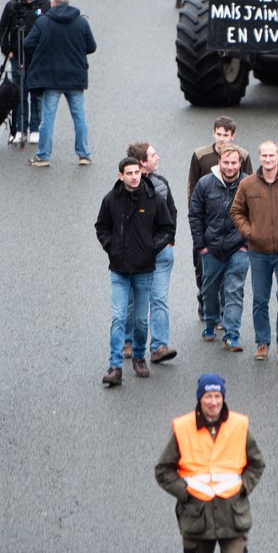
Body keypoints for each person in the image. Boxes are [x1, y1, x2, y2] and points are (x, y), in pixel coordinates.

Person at [155, 374, 264, 553]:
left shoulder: (238, 425)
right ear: (200, 399)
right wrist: (185, 494)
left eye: (217, 396)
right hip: (197, 517)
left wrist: (244, 488)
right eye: (208, 396)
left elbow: (257, 463)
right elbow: (163, 470)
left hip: (233, 515)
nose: (213, 402)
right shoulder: (182, 427)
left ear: (223, 398)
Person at [96, 156, 175, 386]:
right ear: (121, 175)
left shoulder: (154, 199)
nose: (133, 177)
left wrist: (151, 248)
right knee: (119, 317)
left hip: (144, 270)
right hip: (119, 270)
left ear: (141, 173)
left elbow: (167, 228)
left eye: (137, 173)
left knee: (141, 320)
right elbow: (101, 227)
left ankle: (139, 357)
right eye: (129, 173)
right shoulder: (111, 199)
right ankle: (115, 366)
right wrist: (111, 247)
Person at [230, 141, 278, 364]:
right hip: (258, 251)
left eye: (272, 155)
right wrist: (248, 232)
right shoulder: (248, 184)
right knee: (260, 299)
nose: (268, 159)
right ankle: (262, 342)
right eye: (264, 155)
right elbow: (236, 211)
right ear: (259, 157)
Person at [188, 116, 254, 320]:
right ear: (213, 133)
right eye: (219, 134)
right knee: (202, 269)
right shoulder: (200, 155)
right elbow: (192, 188)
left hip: (233, 224)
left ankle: (225, 311)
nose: (222, 138)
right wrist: (196, 223)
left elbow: (250, 186)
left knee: (230, 274)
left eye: (226, 135)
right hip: (207, 223)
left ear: (233, 136)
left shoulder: (242, 155)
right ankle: (205, 303)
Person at [22, 0, 96, 167]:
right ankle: (84, 154)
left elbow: (27, 44)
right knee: (79, 117)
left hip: (51, 77)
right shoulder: (81, 22)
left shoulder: (43, 21)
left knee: (48, 118)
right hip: (75, 77)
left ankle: (44, 156)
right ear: (68, 3)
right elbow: (91, 47)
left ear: (53, 3)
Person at [189, 145, 250, 352]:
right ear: (219, 163)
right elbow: (195, 215)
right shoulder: (205, 184)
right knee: (209, 290)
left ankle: (232, 334)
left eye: (234, 163)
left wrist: (246, 245)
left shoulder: (249, 184)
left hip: (238, 247)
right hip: (211, 248)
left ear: (240, 163)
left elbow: (257, 217)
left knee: (234, 290)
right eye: (226, 162)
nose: (230, 167)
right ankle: (211, 322)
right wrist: (201, 245)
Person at [123, 141, 178, 363]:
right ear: (142, 163)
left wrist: (169, 241)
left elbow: (172, 213)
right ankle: (128, 342)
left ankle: (159, 347)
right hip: (134, 256)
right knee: (133, 300)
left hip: (161, 253)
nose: (158, 158)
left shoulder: (161, 184)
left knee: (159, 298)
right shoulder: (123, 191)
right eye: (153, 155)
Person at [0, 0, 51, 144]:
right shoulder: (12, 6)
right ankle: (20, 128)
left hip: (38, 58)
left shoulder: (46, 4)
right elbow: (2, 28)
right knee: (20, 93)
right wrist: (7, 50)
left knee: (37, 94)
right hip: (17, 57)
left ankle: (36, 128)